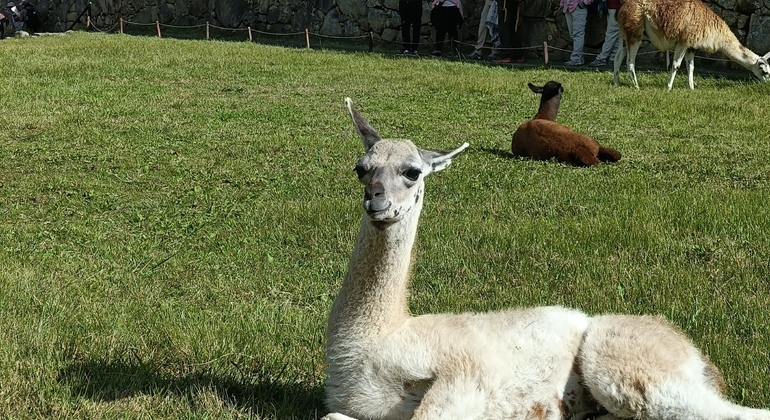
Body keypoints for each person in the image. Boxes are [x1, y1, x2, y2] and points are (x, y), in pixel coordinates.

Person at [560, 0, 594, 66]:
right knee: (573, 34)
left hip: (579, 8)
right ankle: (579, 58)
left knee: (578, 34)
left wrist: (585, 2)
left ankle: (576, 58)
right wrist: (562, 4)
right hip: (567, 8)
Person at [588, 0, 620, 67]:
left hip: (616, 9)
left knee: (611, 34)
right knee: (617, 36)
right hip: (612, 8)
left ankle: (602, 58)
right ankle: (613, 58)